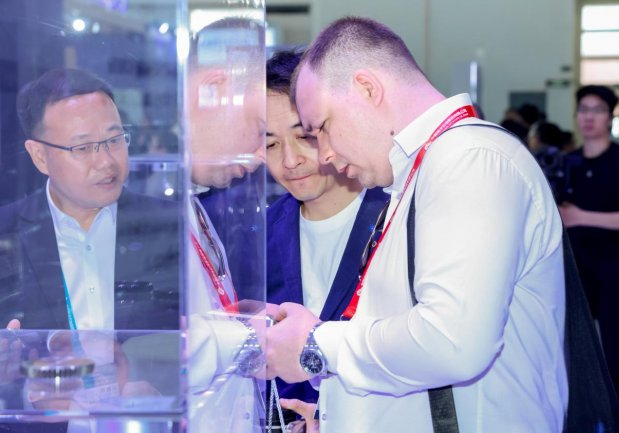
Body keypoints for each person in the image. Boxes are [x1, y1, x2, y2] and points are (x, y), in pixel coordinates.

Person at [266, 17, 567, 433]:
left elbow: (452, 343)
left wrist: (317, 344)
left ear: (367, 89)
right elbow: (409, 351)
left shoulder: (469, 158)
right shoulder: (420, 172)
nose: (326, 154)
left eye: (323, 129)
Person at [0, 68, 179, 431]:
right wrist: (15, 383)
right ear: (39, 156)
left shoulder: (171, 226)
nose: (106, 161)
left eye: (115, 139)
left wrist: (158, 384)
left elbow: (197, 340)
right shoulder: (7, 236)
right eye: (82, 148)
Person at [264, 49, 388, 419]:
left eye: (305, 136)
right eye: (270, 144)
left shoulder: (395, 217)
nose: (290, 160)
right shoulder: (261, 235)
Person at [184, 17, 268, 433]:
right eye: (259, 130)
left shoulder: (193, 200)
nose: (262, 155)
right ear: (214, 89)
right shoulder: (132, 203)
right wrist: (252, 336)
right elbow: (144, 347)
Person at [560, 84, 619, 433]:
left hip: (614, 270)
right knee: (574, 354)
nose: (589, 117)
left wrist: (581, 216)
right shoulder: (568, 161)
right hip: (576, 270)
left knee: (617, 354)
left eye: (597, 110)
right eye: (583, 109)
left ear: (610, 116)